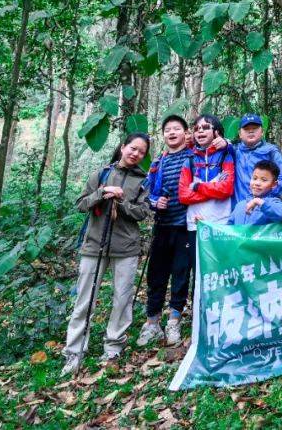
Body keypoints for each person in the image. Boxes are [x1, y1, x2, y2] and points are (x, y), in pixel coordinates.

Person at [62, 133, 151, 375]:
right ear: (123, 147)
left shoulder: (143, 180)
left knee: (122, 299)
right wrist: (102, 192)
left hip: (127, 248)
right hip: (94, 245)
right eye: (133, 148)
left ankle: (114, 346)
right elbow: (81, 204)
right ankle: (74, 351)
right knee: (84, 300)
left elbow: (143, 212)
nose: (136, 154)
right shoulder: (100, 174)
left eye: (141, 152)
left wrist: (121, 203)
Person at [136, 115, 194, 348]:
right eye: (167, 129)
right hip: (162, 226)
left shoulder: (193, 157)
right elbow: (146, 193)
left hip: (185, 226)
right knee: (156, 275)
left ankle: (174, 321)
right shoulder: (157, 163)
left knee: (181, 274)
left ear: (185, 133)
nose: (171, 133)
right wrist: (154, 202)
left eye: (176, 129)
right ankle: (152, 323)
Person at [179, 114, 235, 231]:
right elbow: (183, 196)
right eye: (196, 129)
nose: (200, 131)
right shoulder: (189, 161)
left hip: (221, 222)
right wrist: (215, 193)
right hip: (194, 223)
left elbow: (226, 189)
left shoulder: (226, 157)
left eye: (205, 127)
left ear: (216, 132)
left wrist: (197, 186)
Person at [232, 114, 282, 205]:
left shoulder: (271, 151)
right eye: (246, 129)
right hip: (239, 207)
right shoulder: (233, 151)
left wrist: (264, 200)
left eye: (254, 128)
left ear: (262, 132)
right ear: (240, 134)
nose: (251, 131)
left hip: (264, 208)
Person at [229, 159, 282, 225]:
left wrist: (258, 202)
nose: (257, 183)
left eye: (264, 180)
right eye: (255, 178)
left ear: (274, 184)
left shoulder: (273, 202)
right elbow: (229, 229)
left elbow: (281, 215)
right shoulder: (240, 205)